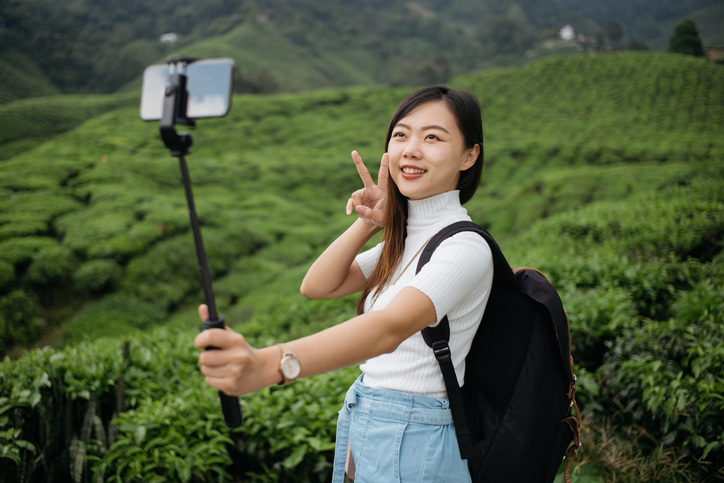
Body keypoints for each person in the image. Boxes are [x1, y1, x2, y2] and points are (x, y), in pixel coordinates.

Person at [194, 86, 493, 482]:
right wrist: (369, 222)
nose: (411, 149)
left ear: (469, 155)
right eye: (401, 134)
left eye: (433, 137)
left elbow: (388, 328)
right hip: (372, 420)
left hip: (418, 437)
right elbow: (317, 285)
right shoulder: (407, 243)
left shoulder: (465, 247)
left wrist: (270, 365)